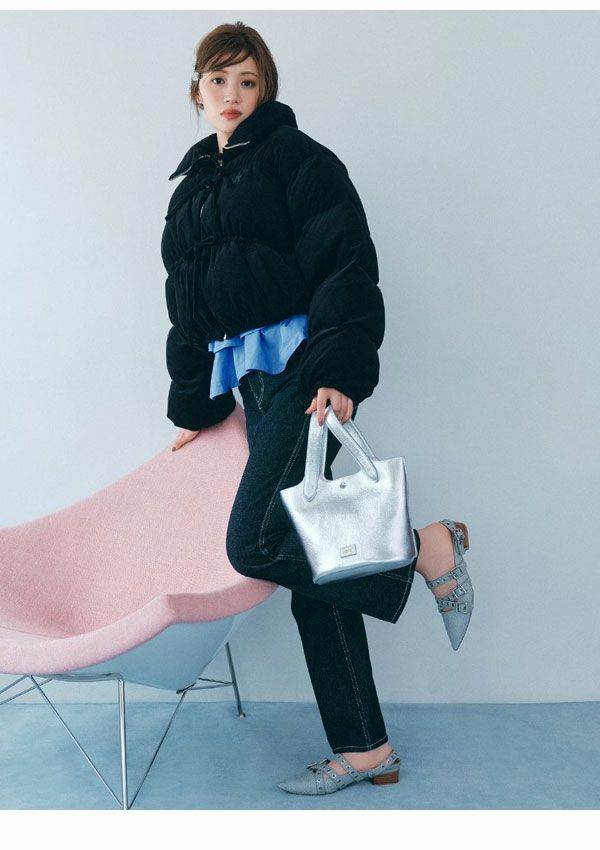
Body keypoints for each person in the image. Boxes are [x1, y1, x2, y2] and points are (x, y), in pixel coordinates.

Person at [161, 21, 474, 796]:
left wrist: (337, 370)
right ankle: (367, 751)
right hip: (251, 387)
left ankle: (423, 549)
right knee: (314, 580)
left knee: (253, 543)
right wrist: (193, 404)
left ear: (265, 89)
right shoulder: (192, 190)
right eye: (218, 80)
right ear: (196, 89)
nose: (232, 95)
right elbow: (188, 307)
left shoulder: (299, 160)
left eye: (248, 81)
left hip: (303, 374)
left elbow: (346, 264)